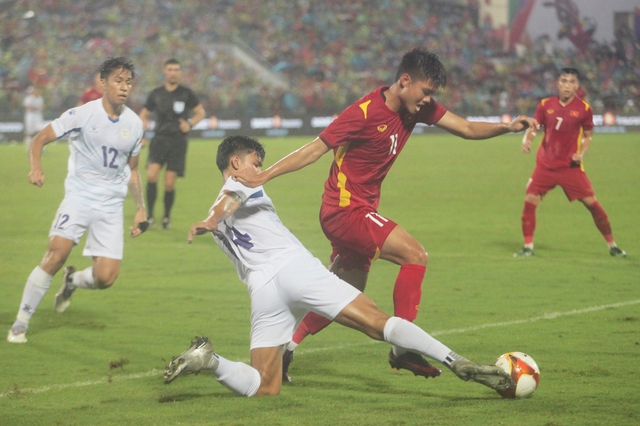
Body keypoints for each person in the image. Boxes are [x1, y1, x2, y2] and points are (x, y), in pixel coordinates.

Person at [233, 48, 537, 382]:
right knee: (415, 254)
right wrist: (264, 176)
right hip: (344, 210)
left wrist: (507, 126)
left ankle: (287, 349)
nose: (427, 100)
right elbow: (314, 149)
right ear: (404, 81)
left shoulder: (416, 109)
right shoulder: (363, 112)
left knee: (343, 291)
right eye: (425, 91)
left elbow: (464, 127)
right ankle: (402, 349)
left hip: (360, 210)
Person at [163, 135, 513, 397]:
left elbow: (228, 211)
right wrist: (210, 219)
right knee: (376, 321)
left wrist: (213, 222)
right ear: (235, 162)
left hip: (263, 290)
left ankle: (208, 362)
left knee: (265, 386)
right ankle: (456, 361)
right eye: (256, 162)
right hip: (294, 270)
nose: (260, 170)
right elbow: (228, 200)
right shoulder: (239, 184)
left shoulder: (228, 202)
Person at [7, 57, 148, 344]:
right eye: (118, 81)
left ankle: (73, 281)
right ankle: (21, 323)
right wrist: (36, 166)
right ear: (103, 83)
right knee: (56, 254)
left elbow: (132, 169)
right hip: (79, 197)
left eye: (128, 82)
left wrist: (141, 209)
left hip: (110, 206)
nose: (124, 87)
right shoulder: (81, 115)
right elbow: (39, 139)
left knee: (106, 278)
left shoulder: (134, 124)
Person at [514, 67, 626, 258]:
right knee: (529, 200)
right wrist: (528, 140)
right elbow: (535, 127)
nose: (567, 85)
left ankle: (612, 245)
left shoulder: (584, 110)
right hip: (545, 166)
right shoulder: (545, 104)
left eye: (571, 82)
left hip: (570, 167)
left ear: (577, 85)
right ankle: (528, 247)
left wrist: (581, 153)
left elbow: (588, 136)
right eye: (564, 81)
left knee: (592, 204)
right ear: (557, 83)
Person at [138, 58, 205, 229]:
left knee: (169, 182)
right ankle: (150, 215)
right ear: (165, 72)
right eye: (170, 69)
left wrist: (189, 124)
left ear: (180, 72)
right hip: (159, 139)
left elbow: (200, 113)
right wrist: (142, 134)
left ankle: (166, 217)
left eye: (176, 69)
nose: (173, 72)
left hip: (177, 142)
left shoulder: (186, 93)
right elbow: (143, 114)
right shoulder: (156, 93)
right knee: (152, 175)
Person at [23, 85, 45, 151]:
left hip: (38, 116)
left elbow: (43, 106)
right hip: (30, 116)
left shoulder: (40, 98)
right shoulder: (28, 98)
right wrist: (37, 108)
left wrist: (38, 108)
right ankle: (28, 148)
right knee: (29, 133)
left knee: (41, 131)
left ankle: (41, 148)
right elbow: (28, 107)